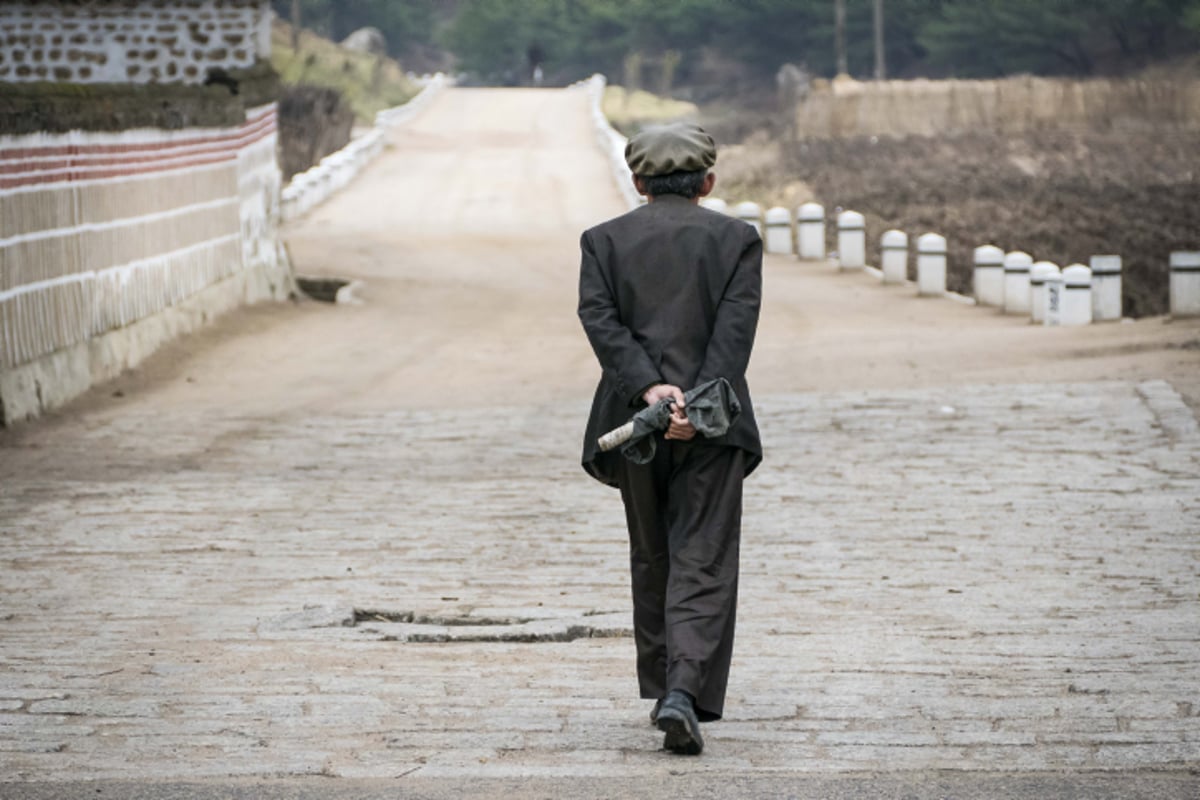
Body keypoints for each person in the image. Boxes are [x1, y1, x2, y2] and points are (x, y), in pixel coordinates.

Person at [577, 122, 763, 755]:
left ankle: (665, 690)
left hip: (634, 428)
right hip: (713, 427)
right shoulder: (736, 239)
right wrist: (695, 403)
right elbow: (734, 335)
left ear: (638, 182)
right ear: (708, 182)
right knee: (703, 558)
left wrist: (651, 391)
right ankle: (684, 692)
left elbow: (600, 322)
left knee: (653, 554)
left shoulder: (603, 240)